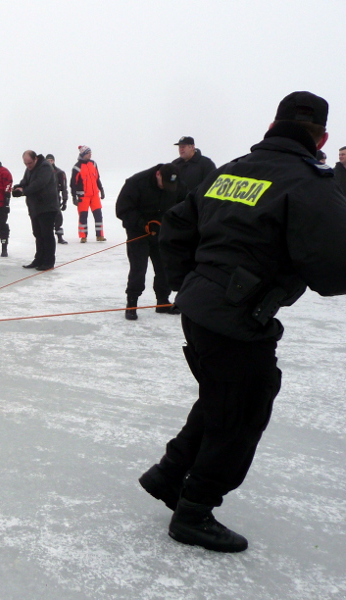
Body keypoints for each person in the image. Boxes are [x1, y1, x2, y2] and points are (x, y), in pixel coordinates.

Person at [140, 91, 346, 553]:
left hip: (200, 310)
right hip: (235, 319)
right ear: (322, 139)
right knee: (243, 410)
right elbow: (335, 271)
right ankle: (194, 511)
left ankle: (170, 474)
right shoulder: (311, 183)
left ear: (271, 127)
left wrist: (189, 284)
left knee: (221, 397)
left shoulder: (231, 170)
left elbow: (175, 227)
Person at [115, 163, 185, 319]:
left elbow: (183, 206)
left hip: (161, 232)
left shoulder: (178, 184)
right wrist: (143, 224)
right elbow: (122, 209)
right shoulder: (136, 182)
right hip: (138, 232)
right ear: (158, 174)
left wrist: (171, 223)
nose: (165, 187)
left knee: (164, 267)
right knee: (138, 268)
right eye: (163, 183)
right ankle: (132, 303)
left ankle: (162, 301)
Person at [12, 150, 59, 271]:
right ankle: (38, 259)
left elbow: (38, 184)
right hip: (35, 207)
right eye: (26, 163)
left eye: (30, 163)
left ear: (35, 159)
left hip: (47, 207)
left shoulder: (45, 167)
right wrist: (17, 188)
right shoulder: (30, 169)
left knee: (47, 235)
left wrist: (24, 191)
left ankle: (48, 262)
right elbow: (25, 182)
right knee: (38, 234)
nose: (28, 166)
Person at [70, 146, 106, 243]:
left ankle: (100, 235)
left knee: (98, 215)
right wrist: (74, 197)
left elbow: (97, 178)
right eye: (88, 153)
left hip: (94, 195)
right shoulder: (77, 167)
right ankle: (83, 236)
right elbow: (73, 183)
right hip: (83, 196)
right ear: (83, 154)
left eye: (90, 153)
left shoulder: (93, 164)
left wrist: (101, 189)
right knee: (83, 216)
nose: (90, 155)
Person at [45, 154, 69, 244]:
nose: (50, 162)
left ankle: (60, 237)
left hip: (55, 199)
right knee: (46, 219)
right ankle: (47, 237)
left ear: (54, 161)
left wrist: (65, 200)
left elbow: (64, 187)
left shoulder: (59, 172)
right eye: (48, 161)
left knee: (58, 218)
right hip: (44, 199)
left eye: (51, 160)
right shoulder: (42, 172)